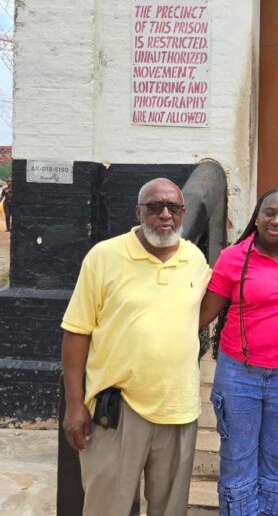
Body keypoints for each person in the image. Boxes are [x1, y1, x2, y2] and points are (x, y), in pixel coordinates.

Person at [61, 178, 211, 516]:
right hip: (118, 411)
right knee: (105, 507)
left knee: (169, 509)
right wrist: (74, 406)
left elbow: (202, 309)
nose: (165, 215)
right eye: (155, 207)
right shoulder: (104, 257)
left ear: (183, 213)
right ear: (138, 212)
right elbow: (75, 333)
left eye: (174, 207)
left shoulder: (195, 259)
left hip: (178, 407)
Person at [199, 189, 278, 516]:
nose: (277, 221)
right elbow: (203, 313)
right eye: (270, 213)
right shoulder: (234, 257)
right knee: (238, 459)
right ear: (257, 215)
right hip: (239, 375)